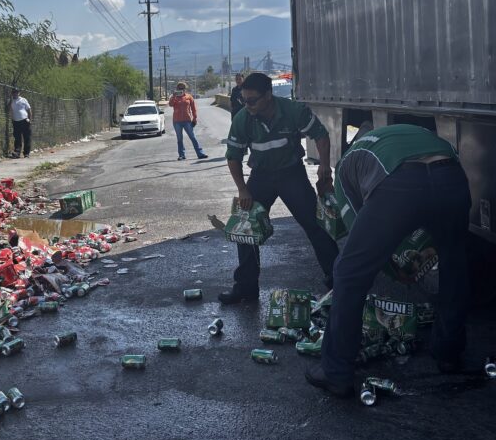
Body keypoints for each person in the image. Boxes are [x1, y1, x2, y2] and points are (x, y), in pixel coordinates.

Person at [305, 123, 472, 397]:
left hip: (401, 183)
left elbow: (359, 237)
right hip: (451, 177)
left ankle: (335, 372)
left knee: (348, 272)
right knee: (455, 264)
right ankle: (449, 353)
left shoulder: (346, 167)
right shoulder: (406, 134)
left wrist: (392, 267)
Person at [221, 72, 338, 304]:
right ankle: (246, 288)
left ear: (269, 95)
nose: (248, 105)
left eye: (252, 100)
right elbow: (233, 156)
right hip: (261, 177)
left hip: (291, 174)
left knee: (315, 226)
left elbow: (321, 135)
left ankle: (339, 278)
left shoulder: (293, 111)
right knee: (246, 231)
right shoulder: (243, 118)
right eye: (244, 100)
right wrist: (242, 189)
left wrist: (324, 165)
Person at [168, 82, 208, 161]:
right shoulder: (174, 97)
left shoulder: (189, 97)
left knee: (193, 137)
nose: (181, 90)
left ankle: (200, 153)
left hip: (187, 120)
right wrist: (173, 96)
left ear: (185, 89)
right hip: (177, 121)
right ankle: (181, 155)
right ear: (177, 89)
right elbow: (171, 104)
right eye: (179, 88)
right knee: (179, 139)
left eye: (182, 88)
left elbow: (193, 108)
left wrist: (195, 118)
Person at [8, 88, 32, 158]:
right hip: (16, 121)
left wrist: (30, 120)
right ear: (12, 93)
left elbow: (29, 110)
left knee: (26, 137)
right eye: (13, 92)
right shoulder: (11, 101)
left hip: (25, 120)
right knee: (17, 138)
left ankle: (26, 153)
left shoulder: (23, 100)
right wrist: (11, 100)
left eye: (16, 92)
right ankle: (17, 152)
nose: (15, 94)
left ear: (19, 93)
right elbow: (9, 108)